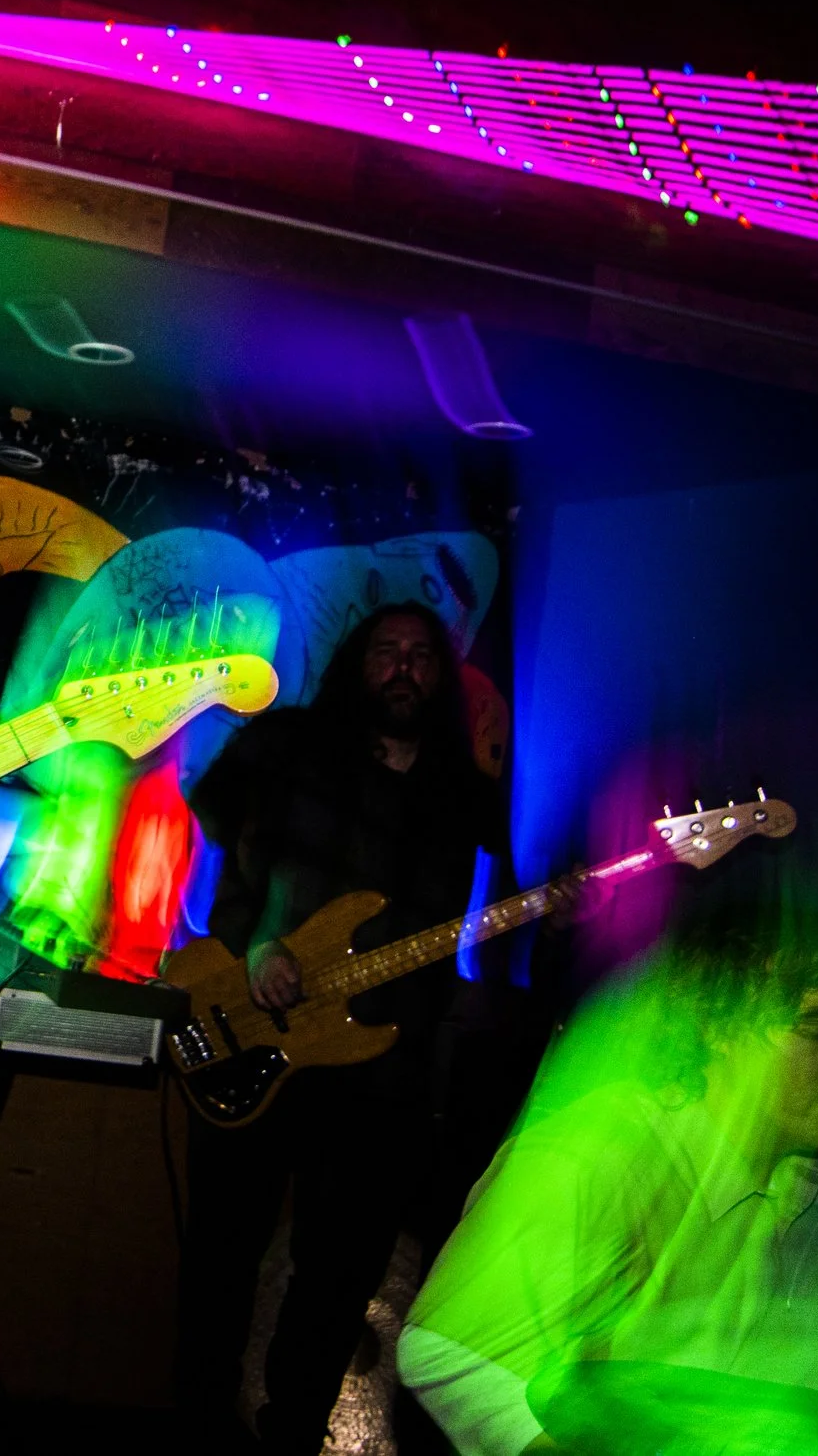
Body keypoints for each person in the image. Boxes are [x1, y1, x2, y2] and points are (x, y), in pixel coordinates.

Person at [398, 870, 818, 1454]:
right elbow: (446, 1352)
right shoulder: (600, 1156)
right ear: (718, 1025)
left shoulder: (809, 1190)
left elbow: (798, 1351)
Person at [172, 602, 513, 1454]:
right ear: (358, 662)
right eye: (386, 650)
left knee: (339, 1275)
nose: (403, 667)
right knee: (221, 1256)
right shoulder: (288, 747)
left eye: (421, 655)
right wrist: (249, 944)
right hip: (257, 1031)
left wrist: (571, 905)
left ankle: (292, 1436)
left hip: (384, 1071)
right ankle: (196, 1425)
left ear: (440, 677)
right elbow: (209, 834)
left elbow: (491, 911)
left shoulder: (462, 795)